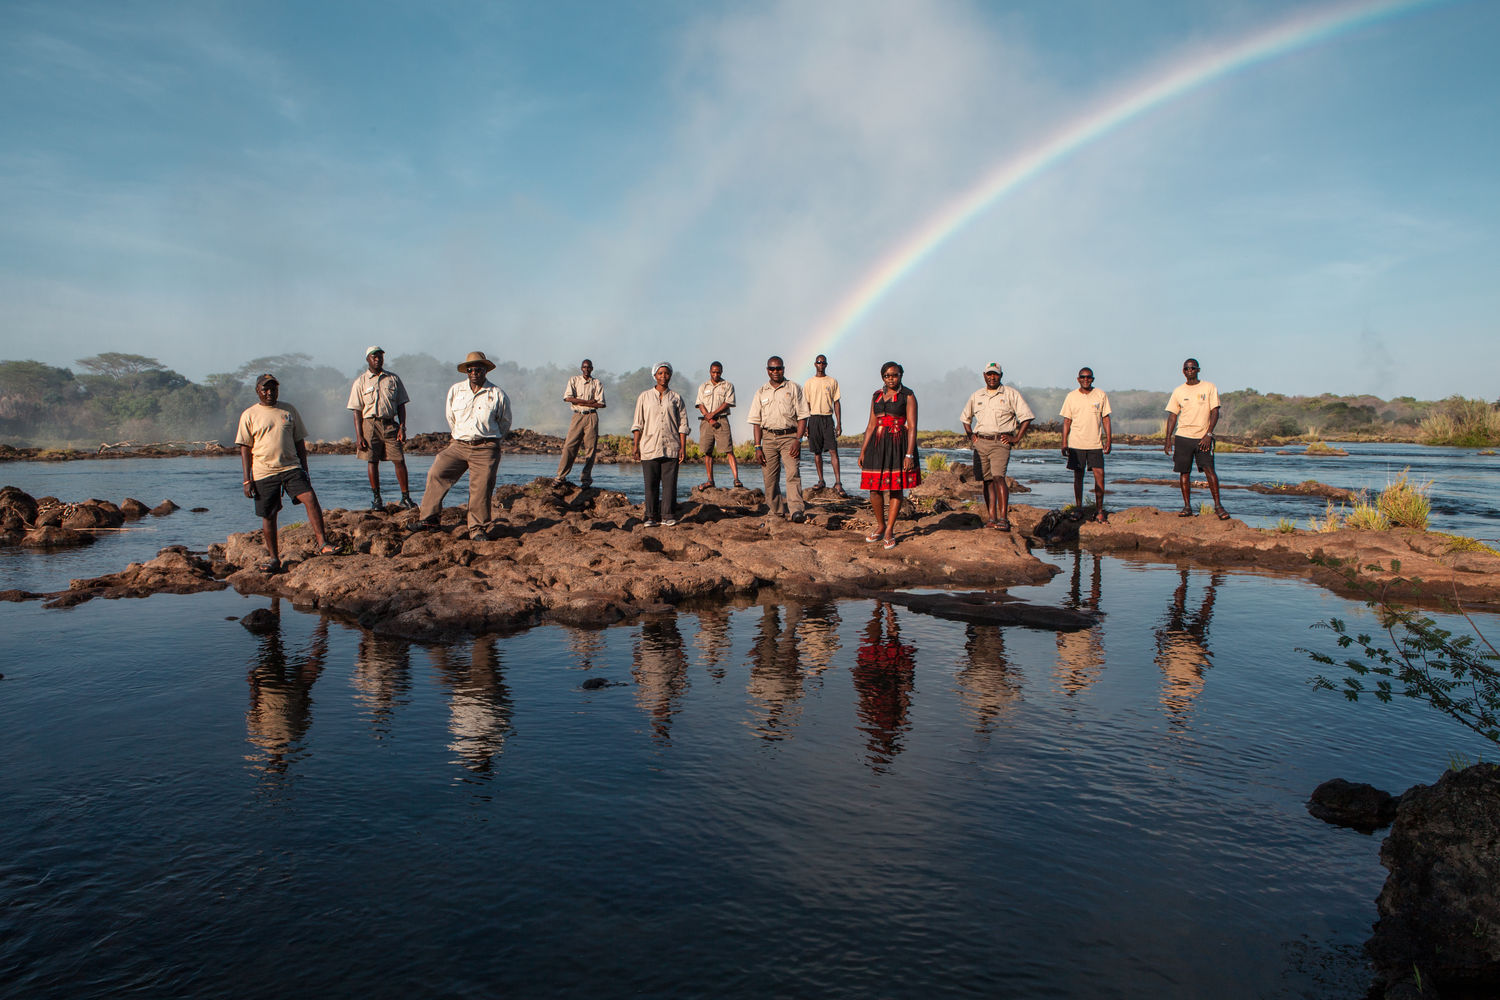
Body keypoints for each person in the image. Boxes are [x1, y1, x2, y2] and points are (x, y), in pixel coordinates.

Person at [236, 373, 334, 573]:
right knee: (269, 514)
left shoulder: (289, 410)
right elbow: (245, 448)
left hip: (291, 467)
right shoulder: (249, 414)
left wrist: (305, 471)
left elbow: (299, 441)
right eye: (265, 389)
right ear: (258, 391)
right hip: (264, 471)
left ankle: (323, 544)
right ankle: (273, 558)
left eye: (273, 388)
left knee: (309, 498)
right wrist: (247, 480)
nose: (270, 392)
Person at [411, 351, 512, 539]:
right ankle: (429, 519)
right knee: (437, 472)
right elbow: (451, 418)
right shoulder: (456, 391)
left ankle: (477, 528)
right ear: (466, 371)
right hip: (458, 445)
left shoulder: (497, 394)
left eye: (478, 369)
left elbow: (505, 422)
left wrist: (491, 441)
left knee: (481, 488)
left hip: (486, 447)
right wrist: (461, 436)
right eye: (471, 369)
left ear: (485, 371)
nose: (474, 372)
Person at [960, 362, 1032, 532]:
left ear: (1001, 375)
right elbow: (965, 418)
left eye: (996, 374)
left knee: (999, 477)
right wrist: (971, 435)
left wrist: (1016, 438)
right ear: (984, 375)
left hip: (1001, 442)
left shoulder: (1010, 394)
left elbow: (1026, 417)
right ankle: (991, 517)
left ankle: (1003, 518)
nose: (992, 377)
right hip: (981, 443)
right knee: (986, 481)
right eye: (989, 374)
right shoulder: (977, 395)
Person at [857, 361, 920, 549]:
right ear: (882, 377)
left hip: (898, 444)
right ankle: (880, 525)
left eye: (895, 375)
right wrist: (862, 450)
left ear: (901, 375)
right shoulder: (876, 396)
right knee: (874, 488)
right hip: (876, 444)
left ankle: (890, 529)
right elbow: (870, 425)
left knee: (895, 487)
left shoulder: (908, 395)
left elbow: (912, 427)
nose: (891, 378)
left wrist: (909, 455)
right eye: (887, 375)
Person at [346, 345, 415, 510]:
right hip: (370, 424)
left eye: (380, 357)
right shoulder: (360, 382)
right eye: (374, 357)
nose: (377, 359)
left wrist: (402, 427)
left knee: (398, 459)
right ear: (367, 359)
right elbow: (356, 411)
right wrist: (359, 436)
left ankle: (405, 498)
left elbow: (401, 405)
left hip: (390, 423)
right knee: (372, 460)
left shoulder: (393, 379)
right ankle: (377, 499)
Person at [747, 355, 810, 522]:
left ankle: (796, 510)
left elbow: (803, 416)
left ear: (784, 369)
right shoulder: (761, 392)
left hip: (790, 437)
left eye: (779, 368)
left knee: (793, 473)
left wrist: (798, 440)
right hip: (767, 438)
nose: (776, 371)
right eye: (772, 369)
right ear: (767, 370)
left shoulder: (794, 388)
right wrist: (757, 446)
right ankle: (776, 511)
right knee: (769, 477)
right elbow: (756, 422)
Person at [1163, 357, 1228, 519]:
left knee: (1209, 470)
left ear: (1198, 370)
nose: (1189, 371)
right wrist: (1167, 439)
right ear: (1183, 371)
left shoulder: (1209, 387)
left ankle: (1218, 507)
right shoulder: (1179, 391)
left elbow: (1215, 412)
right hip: (1183, 437)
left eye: (1192, 368)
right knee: (1184, 472)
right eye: (1186, 368)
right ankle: (1187, 507)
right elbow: (1172, 415)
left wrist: (1209, 434)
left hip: (1203, 437)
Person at [631, 361, 690, 527]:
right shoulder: (644, 397)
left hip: (671, 446)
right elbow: (638, 423)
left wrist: (682, 447)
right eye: (660, 373)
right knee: (650, 484)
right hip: (649, 445)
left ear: (670, 375)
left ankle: (668, 515)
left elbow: (683, 425)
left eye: (666, 373)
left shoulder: (676, 398)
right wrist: (636, 446)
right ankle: (650, 516)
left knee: (670, 484)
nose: (663, 376)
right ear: (655, 376)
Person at [1059, 366, 1112, 523]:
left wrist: (1109, 439)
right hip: (1076, 443)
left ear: (1093, 379)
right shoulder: (1071, 396)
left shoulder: (1100, 395)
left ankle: (1099, 510)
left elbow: (1106, 419)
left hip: (1095, 444)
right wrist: (1064, 442)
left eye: (1088, 377)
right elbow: (1067, 421)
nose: (1085, 379)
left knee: (1100, 476)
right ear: (1078, 379)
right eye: (1082, 377)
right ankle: (1079, 508)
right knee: (1078, 476)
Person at [555, 358, 606, 488]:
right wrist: (588, 402)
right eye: (584, 367)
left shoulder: (596, 383)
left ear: (592, 369)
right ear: (581, 368)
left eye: (589, 367)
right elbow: (567, 398)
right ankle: (560, 476)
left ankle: (586, 479)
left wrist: (578, 401)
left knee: (591, 449)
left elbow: (601, 404)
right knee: (569, 446)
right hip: (577, 416)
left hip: (591, 417)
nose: (586, 369)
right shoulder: (574, 380)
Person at [694, 361, 741, 489]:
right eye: (713, 372)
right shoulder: (703, 386)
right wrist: (709, 419)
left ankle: (736, 479)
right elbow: (700, 404)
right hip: (706, 422)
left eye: (718, 372)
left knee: (728, 450)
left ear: (722, 372)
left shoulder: (727, 385)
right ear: (710, 372)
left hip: (722, 420)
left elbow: (728, 402)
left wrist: (713, 414)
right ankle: (710, 480)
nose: (716, 374)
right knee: (707, 451)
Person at [803, 354, 845, 495]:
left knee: (833, 450)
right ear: (815, 364)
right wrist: (806, 426)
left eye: (823, 363)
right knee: (817, 452)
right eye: (818, 362)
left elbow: (836, 402)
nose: (821, 365)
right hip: (814, 419)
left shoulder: (832, 381)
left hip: (828, 418)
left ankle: (838, 482)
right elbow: (806, 405)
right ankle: (821, 480)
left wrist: (838, 423)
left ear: (826, 365)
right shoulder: (809, 383)